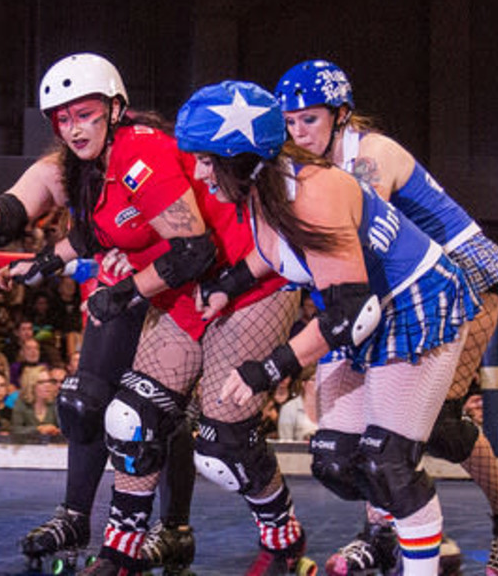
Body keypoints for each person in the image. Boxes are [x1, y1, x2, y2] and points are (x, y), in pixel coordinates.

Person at [185, 80, 473, 576]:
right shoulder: (267, 183)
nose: (199, 172)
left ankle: (423, 560)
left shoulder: (311, 192)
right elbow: (279, 253)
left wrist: (266, 370)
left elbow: (349, 315)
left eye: (208, 160)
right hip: (363, 307)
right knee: (336, 460)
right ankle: (394, 535)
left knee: (389, 462)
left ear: (241, 156)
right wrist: (228, 284)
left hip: (414, 305)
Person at [273, 60, 498, 575]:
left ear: (340, 115)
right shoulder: (313, 170)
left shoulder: (371, 154)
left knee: (426, 423)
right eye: (289, 123)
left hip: (460, 281)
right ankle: (396, 529)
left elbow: (349, 243)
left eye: (308, 120)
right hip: (399, 294)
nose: (297, 133)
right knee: (369, 422)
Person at [0, 54, 201, 571]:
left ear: (114, 109)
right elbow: (79, 229)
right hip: (130, 283)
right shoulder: (81, 167)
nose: (74, 128)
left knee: (160, 417)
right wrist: (33, 261)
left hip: (182, 285)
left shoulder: (142, 154)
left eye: (84, 114)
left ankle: (173, 529)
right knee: (85, 401)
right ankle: (75, 516)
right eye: (63, 119)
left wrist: (127, 287)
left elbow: (193, 248)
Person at [11, 365, 62, 437]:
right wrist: (38, 429)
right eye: (41, 382)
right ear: (31, 385)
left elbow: (64, 428)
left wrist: (56, 431)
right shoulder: (21, 404)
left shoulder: (55, 404)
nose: (47, 385)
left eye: (49, 381)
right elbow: (16, 430)